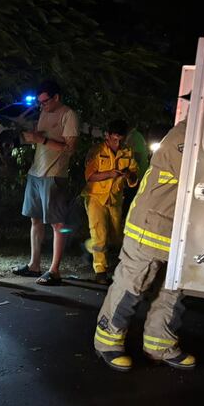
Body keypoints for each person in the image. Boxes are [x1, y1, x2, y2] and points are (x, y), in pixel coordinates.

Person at [93, 116, 195, 372]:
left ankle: (160, 344)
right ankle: (107, 342)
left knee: (172, 291)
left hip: (178, 232)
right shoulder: (184, 136)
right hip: (150, 228)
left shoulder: (202, 135)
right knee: (132, 286)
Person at [12, 79, 79, 285]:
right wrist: (33, 137)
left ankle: (54, 270)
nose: (42, 105)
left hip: (54, 174)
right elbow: (44, 138)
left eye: (45, 101)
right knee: (35, 219)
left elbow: (70, 148)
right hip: (36, 173)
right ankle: (34, 265)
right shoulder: (44, 112)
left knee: (57, 223)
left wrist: (42, 140)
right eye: (40, 102)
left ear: (57, 97)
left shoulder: (69, 115)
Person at [83, 120, 139, 284]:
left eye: (121, 139)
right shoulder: (97, 151)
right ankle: (100, 271)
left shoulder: (128, 152)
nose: (118, 143)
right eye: (115, 139)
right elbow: (89, 176)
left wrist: (129, 175)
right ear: (107, 135)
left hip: (115, 198)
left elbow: (135, 177)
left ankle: (97, 254)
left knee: (115, 235)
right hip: (95, 197)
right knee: (99, 234)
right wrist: (109, 174)